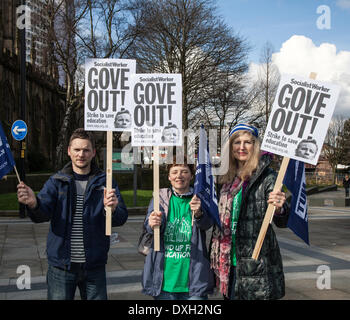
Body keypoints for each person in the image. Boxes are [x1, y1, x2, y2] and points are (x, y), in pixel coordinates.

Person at [17, 128, 128, 300]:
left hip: (94, 265)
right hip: (61, 266)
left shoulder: (105, 181)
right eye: (77, 149)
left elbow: (121, 217)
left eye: (86, 150)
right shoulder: (57, 181)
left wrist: (112, 209)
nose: (81, 154)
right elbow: (42, 214)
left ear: (93, 153)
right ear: (69, 151)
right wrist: (34, 203)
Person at [210, 123, 290, 300]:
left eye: (248, 142)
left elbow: (282, 220)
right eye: (237, 142)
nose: (242, 147)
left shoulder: (267, 177)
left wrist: (280, 207)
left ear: (255, 146)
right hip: (227, 263)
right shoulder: (223, 178)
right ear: (230, 147)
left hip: (256, 265)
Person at [141, 157, 214, 300]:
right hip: (165, 280)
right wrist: (152, 222)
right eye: (174, 172)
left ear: (191, 176)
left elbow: (207, 224)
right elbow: (149, 229)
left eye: (184, 172)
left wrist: (199, 213)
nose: (179, 176)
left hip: (194, 279)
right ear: (169, 177)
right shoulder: (159, 198)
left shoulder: (199, 198)